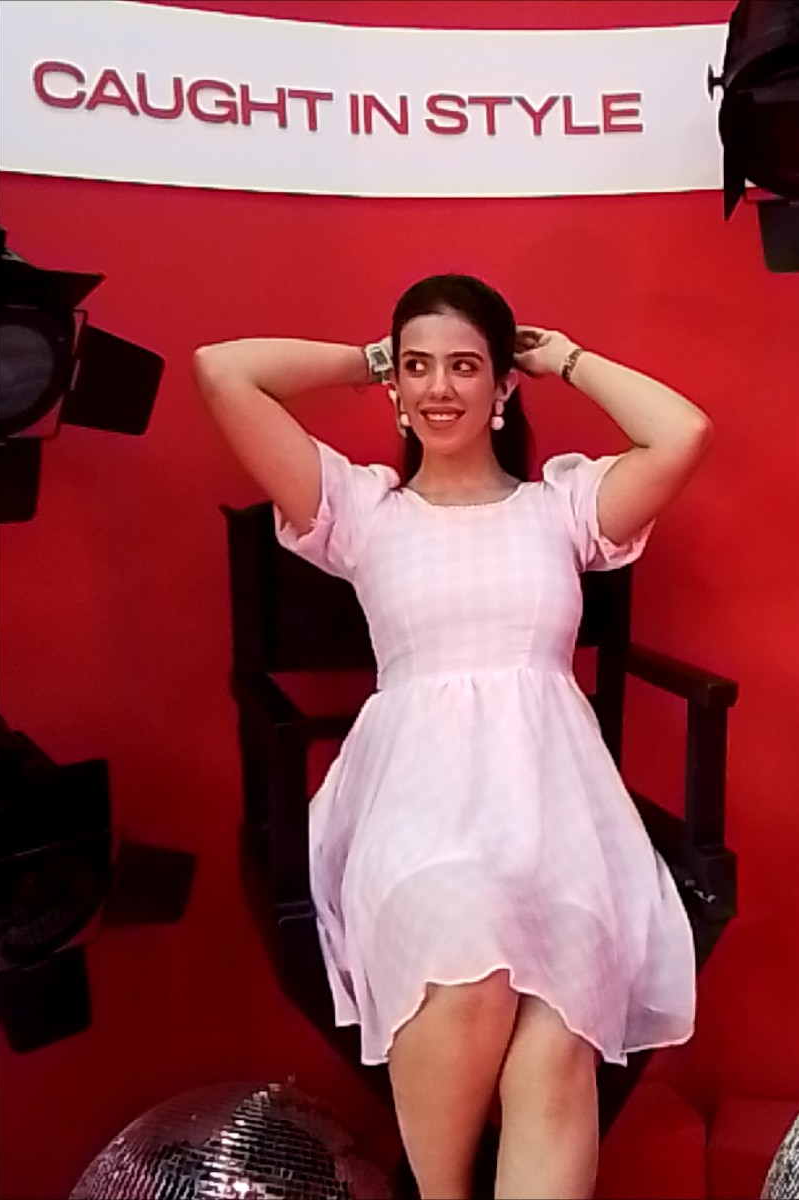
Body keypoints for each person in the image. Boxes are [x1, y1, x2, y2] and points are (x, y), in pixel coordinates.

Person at [193, 274, 712, 1199]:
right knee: (466, 963)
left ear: (503, 385)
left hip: (558, 813)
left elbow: (684, 433)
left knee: (559, 1045)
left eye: (466, 367)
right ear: (395, 383)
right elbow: (222, 371)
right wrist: (366, 362)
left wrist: (567, 359)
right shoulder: (361, 512)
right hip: (416, 803)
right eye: (418, 367)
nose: (439, 387)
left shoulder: (560, 509)